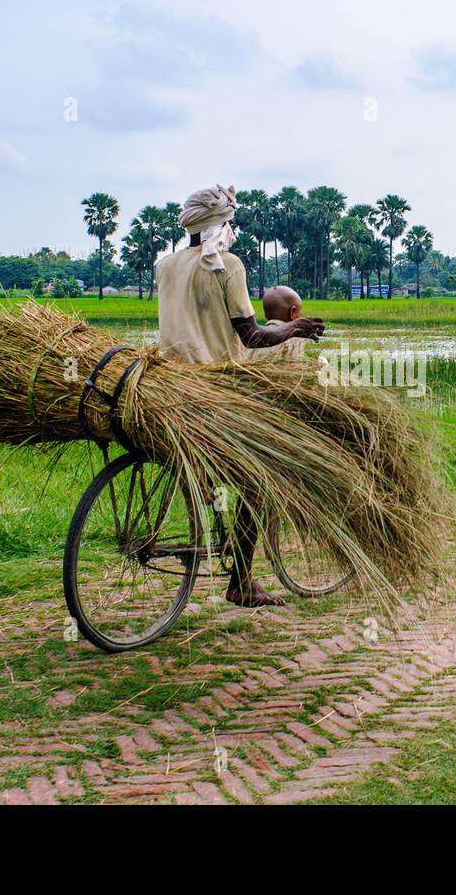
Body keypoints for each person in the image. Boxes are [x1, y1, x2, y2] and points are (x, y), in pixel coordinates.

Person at [156, 185, 325, 606]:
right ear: (222, 226)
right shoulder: (227, 264)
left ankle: (218, 524)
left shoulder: (166, 265)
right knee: (256, 482)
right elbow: (250, 335)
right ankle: (241, 583)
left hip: (168, 384)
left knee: (216, 477)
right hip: (216, 384)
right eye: (230, 224)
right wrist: (294, 329)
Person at [248, 286, 308, 361]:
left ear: (265, 315)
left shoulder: (254, 337)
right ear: (292, 312)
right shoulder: (295, 336)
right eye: (300, 312)